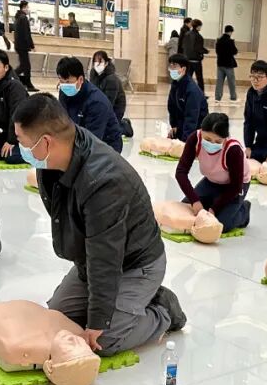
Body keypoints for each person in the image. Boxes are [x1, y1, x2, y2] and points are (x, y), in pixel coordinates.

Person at [13, 94, 186, 355]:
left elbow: (106, 256)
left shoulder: (103, 181)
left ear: (46, 142)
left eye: (22, 142)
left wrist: (98, 321)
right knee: (59, 320)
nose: (20, 149)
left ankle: (162, 310)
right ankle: (125, 305)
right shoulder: (54, 160)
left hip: (136, 264)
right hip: (92, 259)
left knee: (104, 341)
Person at [175, 112, 252, 231]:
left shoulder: (233, 150)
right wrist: (195, 201)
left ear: (225, 138)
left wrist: (214, 209)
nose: (212, 143)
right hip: (211, 181)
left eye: (217, 141)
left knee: (220, 224)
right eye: (208, 139)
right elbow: (181, 172)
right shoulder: (195, 139)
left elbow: (236, 186)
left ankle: (243, 211)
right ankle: (214, 200)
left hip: (234, 187)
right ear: (201, 131)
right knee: (186, 210)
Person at [56, 56, 122, 153]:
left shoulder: (97, 103)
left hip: (105, 146)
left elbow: (93, 141)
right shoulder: (64, 91)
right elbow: (63, 120)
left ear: (80, 79)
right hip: (78, 138)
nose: (64, 85)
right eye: (61, 81)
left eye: (68, 82)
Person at [0, 48, 28, 164]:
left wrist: (11, 141)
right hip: (8, 130)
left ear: (6, 67)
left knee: (10, 157)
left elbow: (17, 114)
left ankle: (36, 154)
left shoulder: (14, 86)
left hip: (26, 131)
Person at [167, 53, 207, 142]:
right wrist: (174, 126)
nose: (171, 69)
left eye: (175, 66)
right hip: (183, 125)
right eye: (170, 66)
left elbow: (192, 117)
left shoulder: (192, 90)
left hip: (197, 128)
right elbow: (171, 107)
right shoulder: (175, 84)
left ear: (183, 69)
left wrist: (186, 142)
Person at [90, 50, 127, 133]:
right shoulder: (93, 74)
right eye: (95, 61)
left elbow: (109, 102)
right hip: (100, 106)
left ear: (106, 63)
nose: (97, 64)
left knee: (107, 131)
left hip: (114, 109)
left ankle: (124, 126)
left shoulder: (111, 79)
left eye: (100, 61)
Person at [12, 0, 37, 92]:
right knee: (25, 66)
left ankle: (27, 83)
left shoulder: (18, 18)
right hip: (23, 45)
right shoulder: (23, 18)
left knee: (25, 65)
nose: (28, 9)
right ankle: (11, 77)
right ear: (24, 7)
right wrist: (32, 45)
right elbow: (27, 34)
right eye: (27, 7)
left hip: (19, 44)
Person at [181, 19, 207, 94]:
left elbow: (183, 46)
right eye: (200, 26)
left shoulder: (187, 34)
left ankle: (184, 92)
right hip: (196, 60)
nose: (201, 28)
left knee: (187, 78)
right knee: (199, 78)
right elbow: (199, 48)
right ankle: (201, 94)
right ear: (198, 26)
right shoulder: (199, 37)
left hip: (188, 60)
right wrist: (205, 51)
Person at [215, 25, 238, 103]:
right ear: (230, 32)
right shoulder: (230, 41)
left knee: (219, 81)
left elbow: (217, 51)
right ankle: (233, 96)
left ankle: (218, 97)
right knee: (231, 81)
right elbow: (235, 51)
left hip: (220, 63)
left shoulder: (219, 40)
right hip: (228, 64)